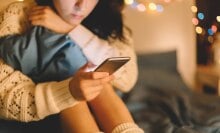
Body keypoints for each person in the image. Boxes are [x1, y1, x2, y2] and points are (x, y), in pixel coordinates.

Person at [0, 0, 144, 132]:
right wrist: (68, 90)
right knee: (73, 80)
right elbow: (5, 98)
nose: (82, 5)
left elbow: (128, 78)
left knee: (97, 77)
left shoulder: (108, 12)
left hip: (103, 104)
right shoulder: (19, 14)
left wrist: (71, 28)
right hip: (50, 112)